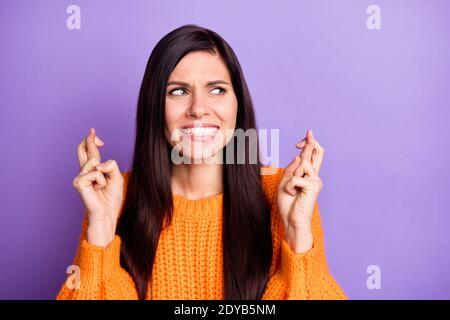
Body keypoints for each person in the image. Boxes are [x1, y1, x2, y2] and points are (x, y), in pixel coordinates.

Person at [57, 24, 347, 300]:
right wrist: (101, 229)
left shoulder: (283, 195)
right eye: (178, 91)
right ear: (155, 107)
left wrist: (298, 232)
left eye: (217, 90)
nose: (198, 108)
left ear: (238, 104)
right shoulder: (114, 198)